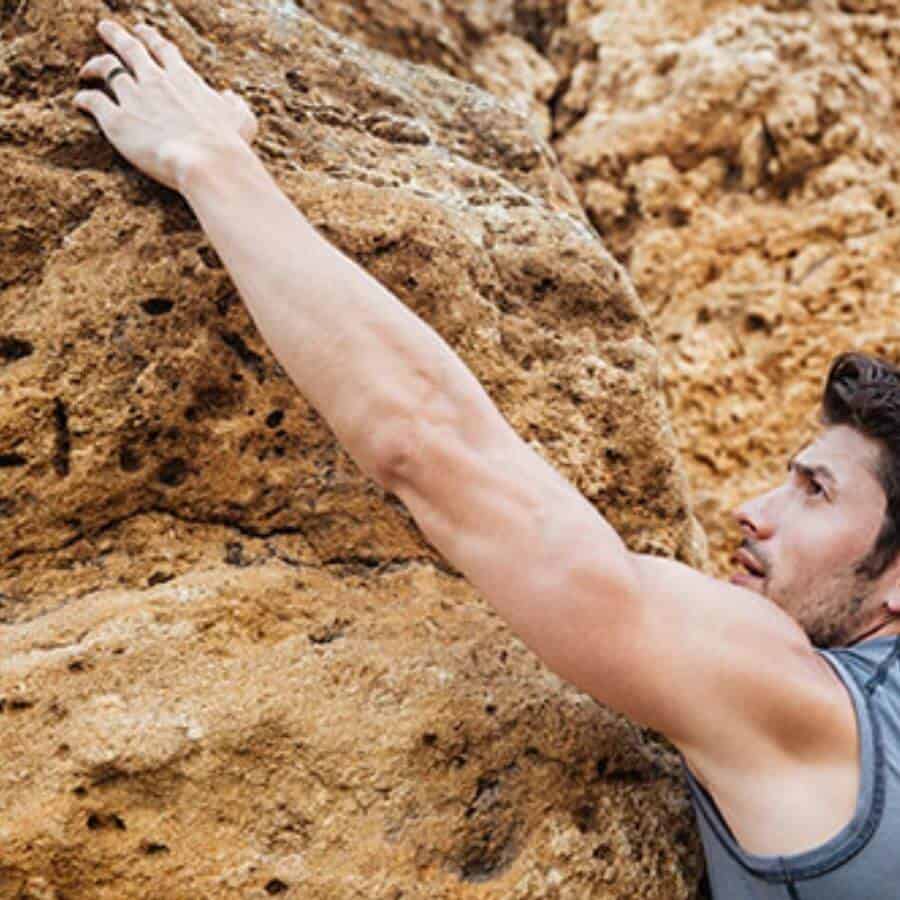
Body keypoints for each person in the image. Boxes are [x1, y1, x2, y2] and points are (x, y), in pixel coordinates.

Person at [74, 20, 900, 898]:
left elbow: (432, 449)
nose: (752, 509)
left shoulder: (805, 706)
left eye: (814, 491)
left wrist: (213, 164)